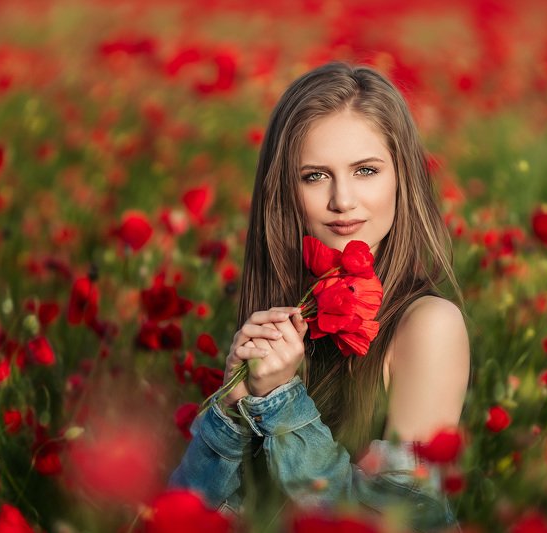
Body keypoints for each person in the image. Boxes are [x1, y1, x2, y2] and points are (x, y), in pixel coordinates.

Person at [169, 61, 470, 531]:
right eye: (314, 176)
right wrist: (230, 410)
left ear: (401, 177)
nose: (343, 200)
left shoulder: (428, 325)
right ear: (284, 191)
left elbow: (398, 523)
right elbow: (180, 517)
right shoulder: (283, 319)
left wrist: (280, 402)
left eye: (366, 170)